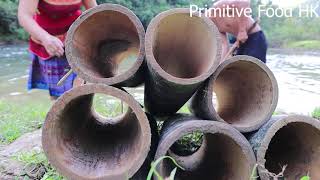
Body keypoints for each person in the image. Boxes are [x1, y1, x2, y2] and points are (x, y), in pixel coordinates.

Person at [18, 0, 97, 99]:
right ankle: (61, 110)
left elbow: (95, 12)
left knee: (80, 88)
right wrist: (46, 39)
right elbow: (24, 16)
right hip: (48, 43)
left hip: (77, 39)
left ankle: (78, 110)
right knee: (59, 94)